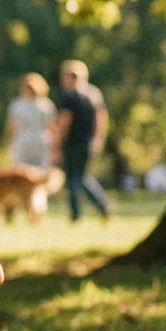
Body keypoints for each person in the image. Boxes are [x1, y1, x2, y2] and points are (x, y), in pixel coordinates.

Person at [50, 60, 112, 222]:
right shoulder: (94, 93)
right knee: (82, 177)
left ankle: (77, 213)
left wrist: (56, 143)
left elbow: (65, 121)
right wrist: (99, 139)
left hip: (72, 143)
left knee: (74, 179)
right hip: (88, 143)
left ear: (70, 76)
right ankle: (102, 205)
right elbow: (101, 119)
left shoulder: (69, 95)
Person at [3, 73, 56, 169]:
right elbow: (51, 127)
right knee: (41, 172)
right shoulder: (46, 105)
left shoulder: (17, 104)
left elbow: (12, 126)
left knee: (20, 171)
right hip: (41, 141)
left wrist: (9, 141)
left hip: (22, 140)